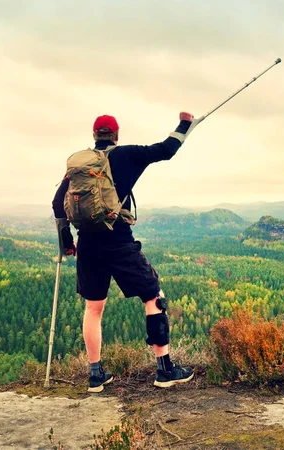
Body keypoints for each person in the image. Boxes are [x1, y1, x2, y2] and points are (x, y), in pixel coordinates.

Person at [52, 112, 195, 392]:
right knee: (154, 297)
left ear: (95, 136)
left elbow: (59, 203)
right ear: (116, 136)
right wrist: (185, 124)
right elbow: (166, 150)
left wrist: (67, 240)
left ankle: (96, 375)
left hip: (88, 243)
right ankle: (165, 370)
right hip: (117, 240)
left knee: (93, 309)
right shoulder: (127, 155)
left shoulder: (80, 166)